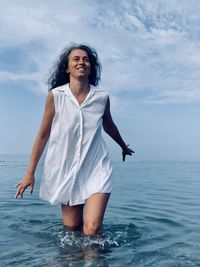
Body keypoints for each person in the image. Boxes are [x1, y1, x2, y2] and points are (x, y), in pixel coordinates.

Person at [15, 44, 134, 236]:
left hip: (96, 167)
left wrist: (122, 146)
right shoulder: (56, 96)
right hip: (66, 168)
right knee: (72, 228)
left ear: (91, 67)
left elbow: (108, 124)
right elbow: (43, 135)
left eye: (86, 59)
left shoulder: (101, 97)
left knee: (92, 228)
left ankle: (93, 262)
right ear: (67, 67)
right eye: (76, 59)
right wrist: (30, 173)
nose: (82, 62)